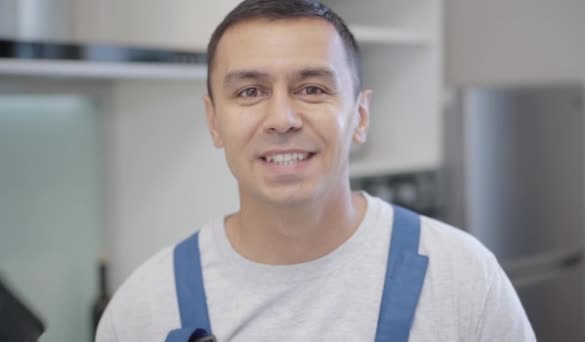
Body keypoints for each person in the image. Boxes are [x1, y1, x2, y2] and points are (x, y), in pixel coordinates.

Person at [96, 0, 536, 341]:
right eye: (250, 91)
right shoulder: (144, 309)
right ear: (214, 121)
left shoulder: (463, 278)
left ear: (360, 115)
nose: (282, 118)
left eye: (312, 88)